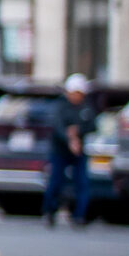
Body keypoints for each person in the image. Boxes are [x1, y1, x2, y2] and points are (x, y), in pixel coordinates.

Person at [42, 74, 98, 226]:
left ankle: (79, 215)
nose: (76, 96)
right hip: (60, 151)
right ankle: (49, 210)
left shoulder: (85, 108)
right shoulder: (61, 107)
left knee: (82, 183)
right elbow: (58, 126)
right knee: (56, 181)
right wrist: (69, 138)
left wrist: (78, 131)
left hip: (79, 152)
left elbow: (93, 125)